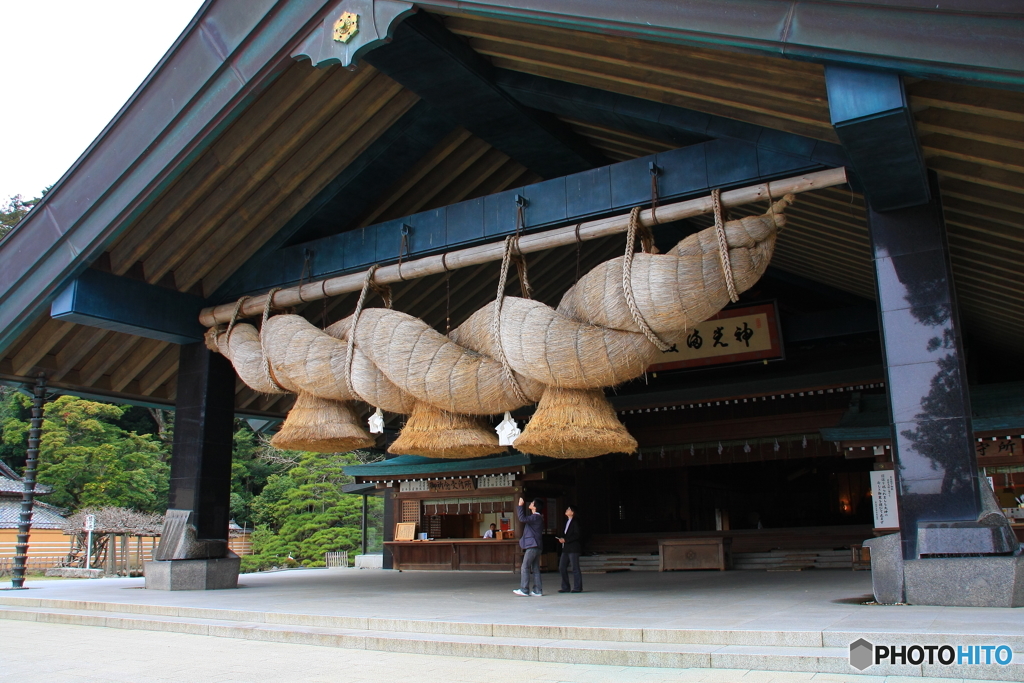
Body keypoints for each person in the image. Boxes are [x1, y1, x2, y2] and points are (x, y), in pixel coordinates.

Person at [512, 497, 544, 597]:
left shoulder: (535, 517)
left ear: (535, 507)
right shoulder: (538, 517)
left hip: (532, 545)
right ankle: (537, 590)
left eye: (532, 503)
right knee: (535, 568)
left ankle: (524, 589)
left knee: (525, 566)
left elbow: (522, 519)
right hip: (537, 545)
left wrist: (520, 506)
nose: (530, 503)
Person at [556, 505, 583, 593]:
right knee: (562, 567)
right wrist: (561, 538)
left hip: (573, 547)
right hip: (566, 548)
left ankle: (577, 587)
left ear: (573, 512)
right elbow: (565, 534)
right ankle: (565, 587)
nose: (566, 510)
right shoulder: (566, 521)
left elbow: (577, 534)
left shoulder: (576, 522)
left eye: (569, 509)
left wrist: (566, 539)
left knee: (575, 567)